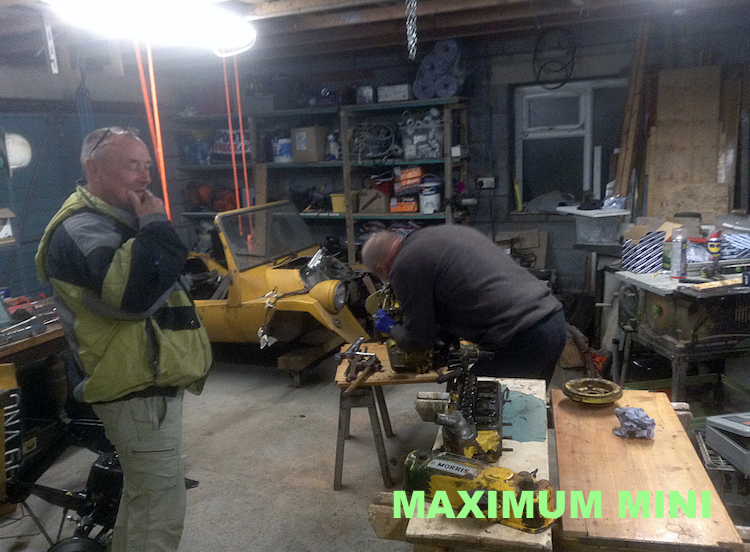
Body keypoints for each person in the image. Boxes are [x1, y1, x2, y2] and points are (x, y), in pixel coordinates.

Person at [35, 127, 213, 552]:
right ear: (93, 168)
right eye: (132, 165)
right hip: (133, 388)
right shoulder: (82, 228)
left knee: (147, 499)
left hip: (146, 383)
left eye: (147, 165)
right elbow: (136, 294)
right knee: (158, 507)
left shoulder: (113, 220)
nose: (145, 176)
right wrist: (155, 224)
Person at [361, 225, 566, 381]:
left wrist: (391, 327)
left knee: (477, 406)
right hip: (551, 319)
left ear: (381, 267)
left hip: (523, 335)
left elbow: (419, 340)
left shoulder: (404, 265)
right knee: (526, 410)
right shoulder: (437, 236)